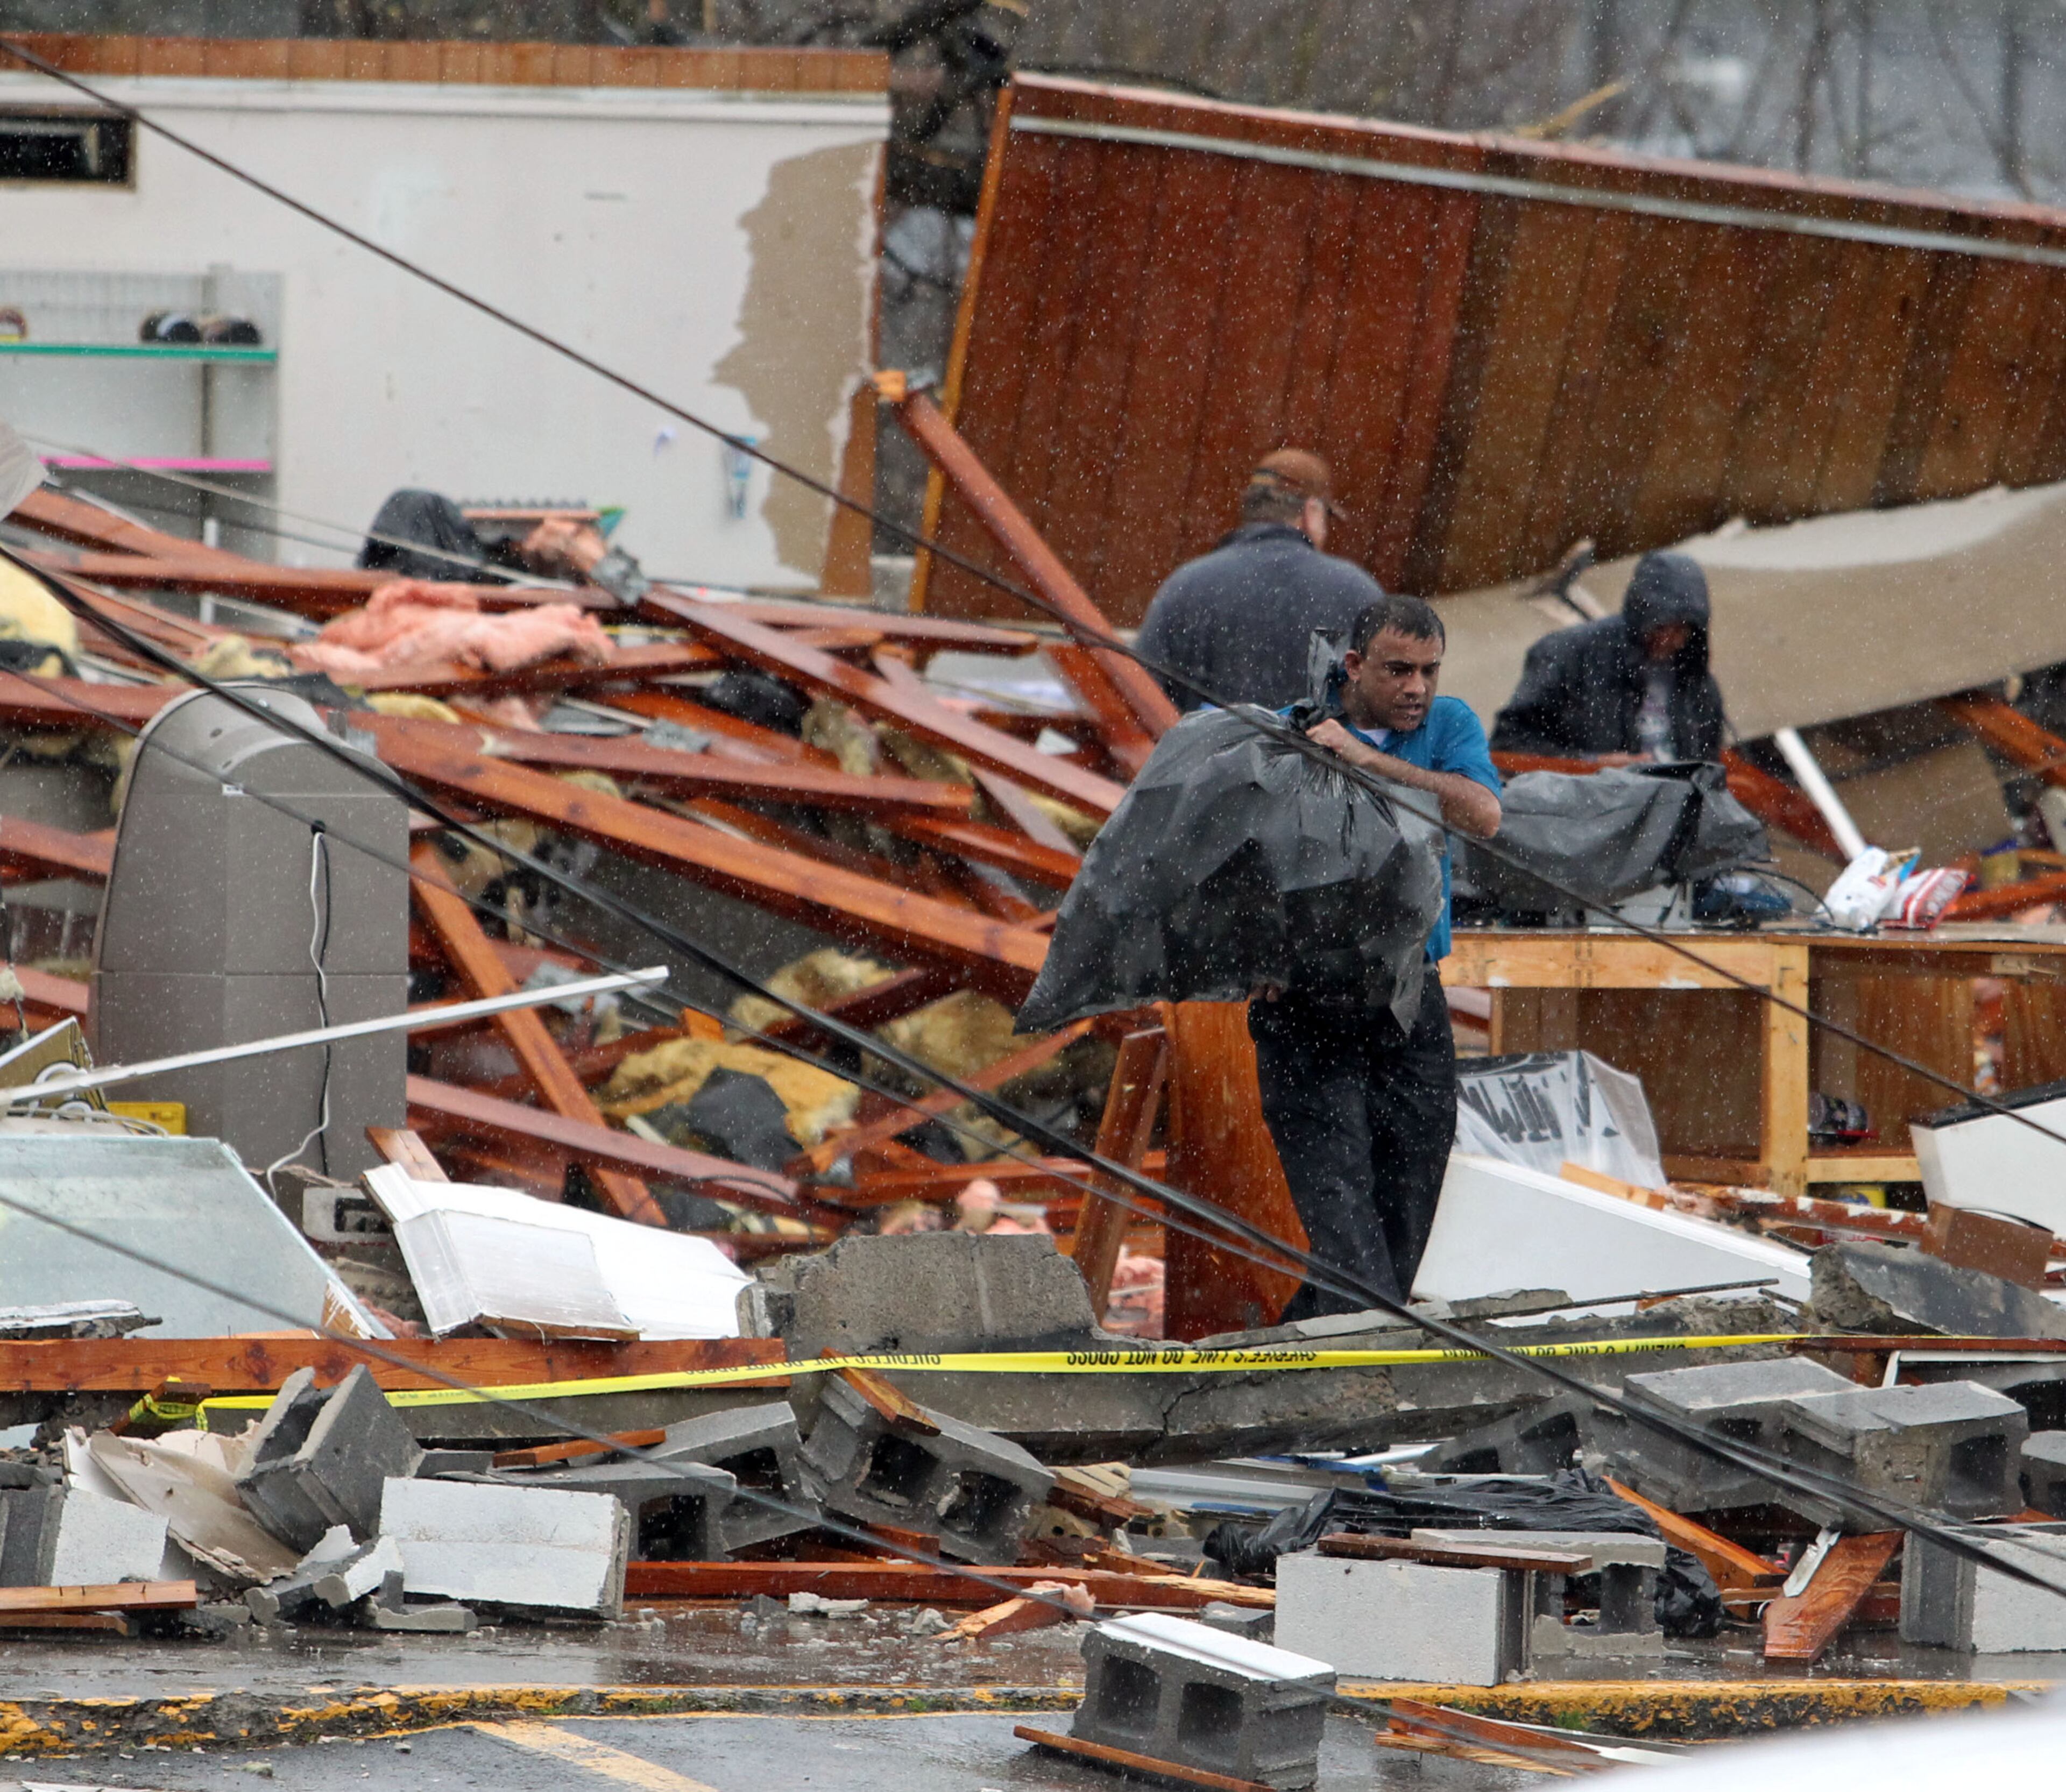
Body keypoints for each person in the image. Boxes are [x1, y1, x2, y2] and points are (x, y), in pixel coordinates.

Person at [1251, 593, 1503, 1319]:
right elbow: (1242, 860)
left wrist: (1371, 763)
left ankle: (1299, 1366)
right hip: (1307, 1005)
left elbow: (1482, 813)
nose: (1416, 687)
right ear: (1355, 666)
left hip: (1408, 995)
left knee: (1405, 1212)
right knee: (1346, 1222)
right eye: (1397, 670)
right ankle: (1345, 1382)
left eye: (1428, 669)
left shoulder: (1446, 725)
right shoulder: (1294, 731)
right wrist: (1258, 953)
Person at [1136, 449, 1384, 711]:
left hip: (1204, 750)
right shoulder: (1358, 592)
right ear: (1311, 513)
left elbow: (1141, 694)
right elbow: (1383, 702)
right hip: (1313, 752)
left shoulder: (1186, 585)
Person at [1490, 550, 1726, 764]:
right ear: (1641, 617)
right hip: (1591, 806)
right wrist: (1592, 766)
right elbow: (1510, 746)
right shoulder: (1569, 656)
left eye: (1682, 631)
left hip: (1671, 807)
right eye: (1661, 627)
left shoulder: (1697, 684)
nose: (1669, 639)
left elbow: (1710, 766)